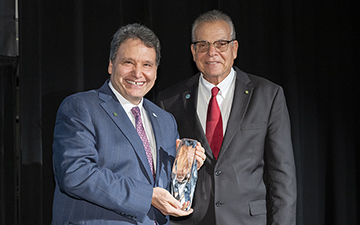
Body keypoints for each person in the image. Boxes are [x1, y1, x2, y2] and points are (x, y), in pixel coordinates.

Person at [51, 23, 206, 225]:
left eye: (147, 65)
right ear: (111, 65)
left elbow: (162, 186)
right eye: (128, 62)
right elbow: (76, 174)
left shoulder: (165, 120)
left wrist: (186, 168)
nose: (137, 73)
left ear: (156, 71)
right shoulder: (81, 107)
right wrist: (147, 196)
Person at [156, 10, 297, 225]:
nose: (211, 52)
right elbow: (160, 169)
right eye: (202, 45)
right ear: (193, 52)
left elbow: (282, 176)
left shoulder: (268, 95)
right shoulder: (169, 101)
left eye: (221, 43)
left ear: (234, 48)